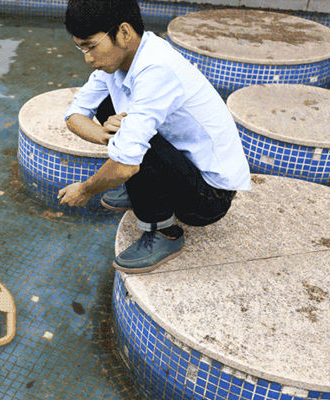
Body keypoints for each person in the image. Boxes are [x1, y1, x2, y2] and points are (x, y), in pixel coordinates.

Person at [57, 0, 251, 274]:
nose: (88, 58)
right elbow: (74, 114)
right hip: (181, 165)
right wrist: (103, 133)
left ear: (123, 33)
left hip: (208, 197)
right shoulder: (117, 62)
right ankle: (141, 186)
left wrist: (86, 189)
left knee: (130, 146)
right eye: (82, 48)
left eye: (91, 46)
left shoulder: (157, 69)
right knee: (110, 112)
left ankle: (163, 233)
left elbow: (126, 163)